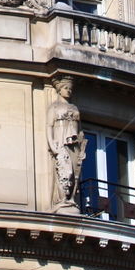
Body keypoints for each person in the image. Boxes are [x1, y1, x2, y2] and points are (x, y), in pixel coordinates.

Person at [46, 76, 86, 212]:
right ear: (59, 89)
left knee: (74, 172)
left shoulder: (74, 107)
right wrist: (52, 144)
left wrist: (82, 148)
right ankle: (62, 199)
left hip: (74, 145)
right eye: (66, 88)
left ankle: (71, 199)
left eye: (70, 89)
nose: (68, 91)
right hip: (61, 142)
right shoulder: (54, 107)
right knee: (64, 171)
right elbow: (49, 126)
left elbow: (80, 130)